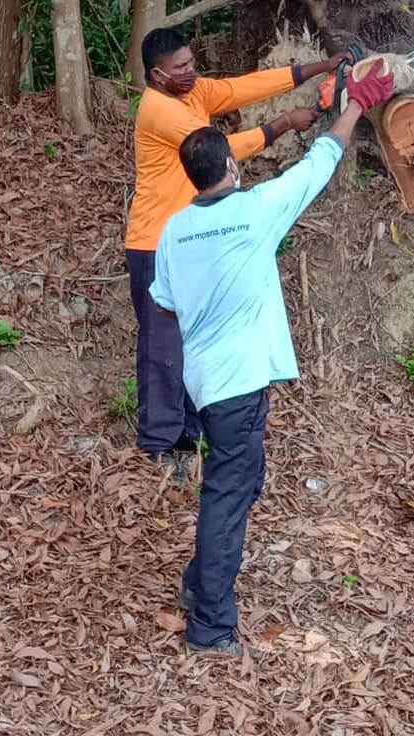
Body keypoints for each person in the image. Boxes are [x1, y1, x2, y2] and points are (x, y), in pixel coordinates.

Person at [149, 58, 394, 656]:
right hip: (238, 388)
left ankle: (195, 586)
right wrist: (356, 104)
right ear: (230, 167)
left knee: (238, 483)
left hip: (203, 383)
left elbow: (163, 303)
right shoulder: (255, 212)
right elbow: (319, 165)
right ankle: (209, 629)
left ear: (190, 176)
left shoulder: (174, 231)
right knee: (229, 495)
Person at [125, 26, 355, 473]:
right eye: (181, 68)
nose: (191, 72)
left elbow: (240, 88)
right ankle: (161, 442)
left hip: (193, 233)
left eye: (192, 63)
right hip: (156, 242)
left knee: (191, 338)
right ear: (157, 75)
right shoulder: (159, 109)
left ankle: (190, 433)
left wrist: (318, 69)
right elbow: (220, 149)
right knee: (161, 341)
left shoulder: (190, 92)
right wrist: (281, 125)